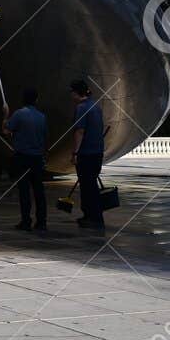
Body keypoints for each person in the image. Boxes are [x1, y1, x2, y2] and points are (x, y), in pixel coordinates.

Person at [4, 87, 48, 232]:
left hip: (22, 158)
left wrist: (5, 115)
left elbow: (6, 131)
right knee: (39, 192)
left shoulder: (18, 114)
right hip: (37, 158)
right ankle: (41, 222)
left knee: (24, 191)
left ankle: (26, 221)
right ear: (36, 100)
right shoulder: (42, 117)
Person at [69, 79, 106, 230]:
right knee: (90, 185)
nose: (70, 95)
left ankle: (94, 218)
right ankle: (90, 216)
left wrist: (75, 152)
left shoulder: (82, 108)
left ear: (77, 92)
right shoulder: (95, 106)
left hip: (86, 153)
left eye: (71, 92)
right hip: (97, 152)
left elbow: (80, 131)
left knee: (87, 186)